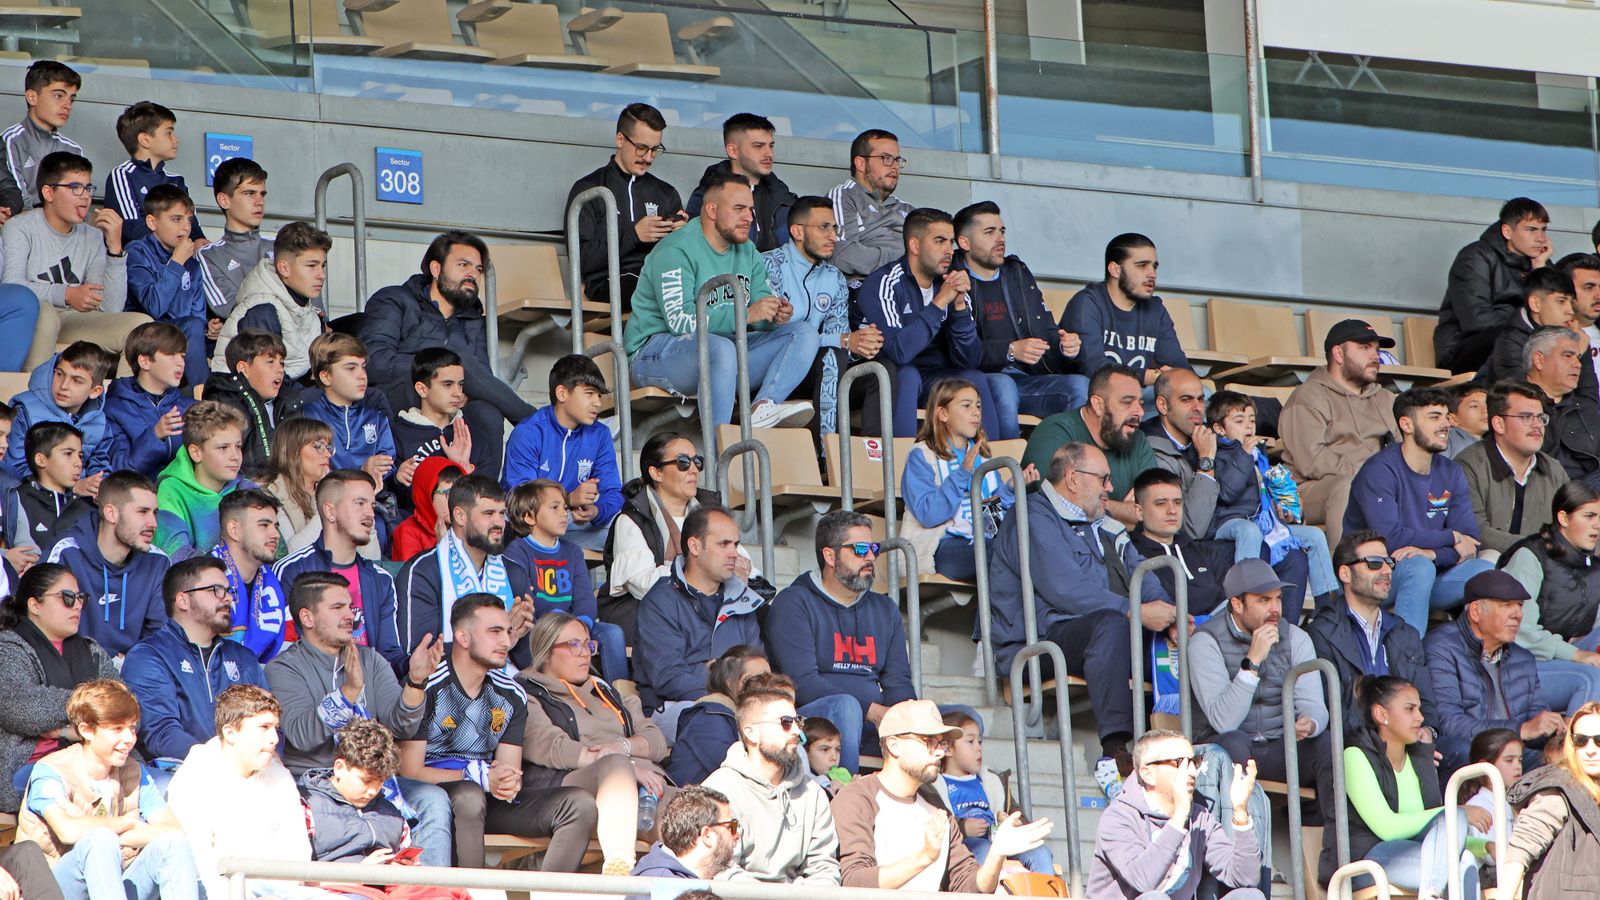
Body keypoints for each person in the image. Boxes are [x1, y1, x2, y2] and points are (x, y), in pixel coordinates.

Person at [990, 442, 1171, 796]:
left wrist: (1168, 612)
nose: (1110, 487)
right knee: (1112, 623)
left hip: (1095, 633)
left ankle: (1178, 752)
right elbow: (1064, 589)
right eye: (1103, 478)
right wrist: (1133, 611)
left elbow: (1143, 573)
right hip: (1037, 642)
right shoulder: (1033, 515)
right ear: (1073, 479)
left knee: (1182, 636)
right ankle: (1114, 754)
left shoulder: (1104, 523)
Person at [266, 570, 452, 868]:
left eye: (350, 606)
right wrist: (348, 693)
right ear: (307, 617)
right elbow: (301, 734)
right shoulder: (284, 668)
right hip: (319, 782)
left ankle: (427, 890)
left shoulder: (371, 659)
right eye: (337, 607)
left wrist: (416, 681)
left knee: (433, 800)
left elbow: (401, 725)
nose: (350, 615)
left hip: (376, 781)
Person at [399, 594, 598, 870]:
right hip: (437, 796)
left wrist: (506, 781)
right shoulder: (428, 684)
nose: (506, 642)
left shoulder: (512, 693)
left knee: (579, 804)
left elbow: (508, 771)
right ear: (463, 638)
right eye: (494, 633)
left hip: (487, 798)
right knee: (469, 795)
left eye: (507, 631)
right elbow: (408, 771)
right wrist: (475, 777)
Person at [624, 168, 819, 429]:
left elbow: (758, 301)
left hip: (723, 350)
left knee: (804, 333)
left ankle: (762, 408)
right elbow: (680, 322)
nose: (748, 217)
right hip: (657, 352)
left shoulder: (747, 250)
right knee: (721, 348)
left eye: (750, 209)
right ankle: (720, 449)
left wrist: (772, 314)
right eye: (739, 208)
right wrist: (747, 315)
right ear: (712, 210)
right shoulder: (675, 249)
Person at [1189, 559, 1335, 856]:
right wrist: (1252, 663)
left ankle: (1331, 859)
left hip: (1281, 747)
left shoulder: (1295, 637)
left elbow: (1316, 707)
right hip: (1227, 749)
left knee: (1330, 744)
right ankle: (1247, 856)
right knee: (1233, 744)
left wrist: (1310, 723)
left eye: (1278, 599)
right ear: (1237, 605)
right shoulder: (1205, 641)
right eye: (1263, 600)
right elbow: (1223, 720)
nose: (1276, 609)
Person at [361, 231, 537, 474]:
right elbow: (374, 362)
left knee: (488, 412)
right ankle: (536, 422)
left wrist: (454, 386)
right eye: (463, 265)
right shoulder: (395, 299)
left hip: (450, 402)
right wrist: (436, 369)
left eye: (477, 269)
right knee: (455, 359)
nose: (472, 275)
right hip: (400, 392)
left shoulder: (474, 320)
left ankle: (484, 498)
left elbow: (481, 380)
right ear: (436, 269)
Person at [832, 699, 1052, 890]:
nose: (939, 752)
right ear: (894, 745)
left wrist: (997, 854)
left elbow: (967, 884)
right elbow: (853, 882)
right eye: (929, 742)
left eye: (942, 743)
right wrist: (924, 857)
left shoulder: (935, 804)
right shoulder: (857, 798)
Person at [18, 679, 199, 900]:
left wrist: (117, 836)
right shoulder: (51, 770)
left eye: (132, 728)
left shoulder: (134, 771)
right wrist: (124, 825)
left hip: (117, 879)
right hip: (54, 888)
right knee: (100, 840)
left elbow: (173, 830)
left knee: (173, 845)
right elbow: (67, 830)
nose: (129, 739)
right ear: (86, 730)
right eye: (117, 729)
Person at [517, 613, 670, 875]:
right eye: (573, 645)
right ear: (545, 653)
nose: (585, 653)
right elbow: (551, 747)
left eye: (588, 645)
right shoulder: (527, 691)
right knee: (615, 768)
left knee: (691, 811)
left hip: (642, 788)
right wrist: (623, 764)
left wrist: (621, 749)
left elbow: (656, 741)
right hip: (572, 788)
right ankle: (619, 867)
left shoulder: (608, 692)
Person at [767, 509, 915, 775]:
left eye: (872, 548)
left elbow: (898, 682)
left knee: (960, 719)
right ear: (829, 555)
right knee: (846, 707)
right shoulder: (794, 604)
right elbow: (802, 683)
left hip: (872, 723)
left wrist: (904, 717)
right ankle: (843, 795)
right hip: (819, 721)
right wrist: (870, 710)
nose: (870, 557)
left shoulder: (885, 609)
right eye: (859, 549)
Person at [1345, 387, 1496, 632]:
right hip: (1374, 574)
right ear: (1407, 424)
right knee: (1418, 566)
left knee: (1485, 571)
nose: (1445, 424)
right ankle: (1408, 659)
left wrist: (1434, 554)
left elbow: (1471, 542)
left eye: (1446, 416)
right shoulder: (1379, 471)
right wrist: (1449, 538)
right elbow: (1390, 540)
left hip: (1430, 571)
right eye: (1434, 417)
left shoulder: (1450, 470)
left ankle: (1475, 660)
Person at [165, 685, 334, 900]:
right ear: (230, 732)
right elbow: (199, 863)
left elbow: (297, 854)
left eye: (275, 728)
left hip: (281, 890)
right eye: (263, 727)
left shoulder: (281, 777)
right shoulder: (195, 776)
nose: (274, 739)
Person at [856, 207, 1007, 439]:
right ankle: (900, 463)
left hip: (933, 376)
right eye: (939, 241)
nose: (949, 250)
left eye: (951, 242)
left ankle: (991, 466)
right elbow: (899, 352)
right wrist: (939, 304)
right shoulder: (884, 283)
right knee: (907, 374)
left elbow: (970, 358)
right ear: (915, 246)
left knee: (973, 378)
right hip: (888, 376)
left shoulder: (950, 283)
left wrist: (958, 308)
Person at [1333, 675, 1481, 895]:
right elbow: (1387, 826)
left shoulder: (1420, 759)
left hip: (1422, 854)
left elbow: (1440, 836)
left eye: (1419, 709)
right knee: (1454, 820)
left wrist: (1482, 846)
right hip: (1368, 860)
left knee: (1465, 855)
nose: (1420, 717)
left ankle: (1430, 893)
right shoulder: (1354, 756)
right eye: (1410, 709)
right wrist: (1453, 811)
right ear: (1381, 714)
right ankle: (1431, 892)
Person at [604, 433, 747, 648]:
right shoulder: (632, 519)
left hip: (709, 606)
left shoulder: (710, 513)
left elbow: (743, 566)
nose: (694, 469)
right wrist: (703, 571)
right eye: (683, 463)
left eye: (697, 462)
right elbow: (644, 586)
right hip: (656, 616)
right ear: (656, 473)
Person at [120, 555, 268, 764]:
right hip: (177, 776)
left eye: (228, 591)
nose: (227, 598)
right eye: (215, 590)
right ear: (183, 600)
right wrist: (224, 765)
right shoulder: (150, 655)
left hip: (247, 773)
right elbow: (161, 732)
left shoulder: (244, 658)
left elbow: (268, 723)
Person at [11, 152, 150, 372]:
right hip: (30, 319)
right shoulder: (20, 227)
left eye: (88, 188)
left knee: (141, 327)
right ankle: (33, 400)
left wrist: (114, 249)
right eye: (75, 187)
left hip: (70, 320)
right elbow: (12, 288)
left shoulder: (92, 235)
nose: (85, 196)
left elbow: (109, 307)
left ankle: (125, 404)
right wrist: (66, 293)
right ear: (49, 192)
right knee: (46, 315)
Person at [1088, 728, 1264, 900]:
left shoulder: (1199, 817)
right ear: (1147, 774)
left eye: (1194, 761)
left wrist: (1240, 813)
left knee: (1250, 896)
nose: (1192, 771)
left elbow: (1245, 878)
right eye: (1179, 762)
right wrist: (1179, 817)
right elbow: (1143, 880)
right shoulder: (1118, 817)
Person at [762, 195, 885, 438]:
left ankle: (875, 463)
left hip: (814, 372)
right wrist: (843, 340)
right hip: (771, 367)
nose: (834, 236)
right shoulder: (768, 264)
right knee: (831, 355)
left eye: (835, 228)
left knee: (879, 371)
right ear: (797, 231)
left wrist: (858, 344)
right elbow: (771, 334)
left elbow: (837, 336)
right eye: (824, 227)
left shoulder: (834, 277)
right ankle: (827, 458)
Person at [0, 563, 118, 813]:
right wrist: (92, 708)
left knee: (162, 785)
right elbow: (22, 709)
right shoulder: (8, 647)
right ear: (35, 605)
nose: (76, 605)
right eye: (67, 598)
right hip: (28, 768)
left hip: (97, 762)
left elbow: (125, 708)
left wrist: (66, 730)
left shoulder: (91, 650)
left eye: (80, 598)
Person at [634, 505, 765, 729]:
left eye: (735, 544)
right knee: (718, 717)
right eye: (723, 544)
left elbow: (758, 670)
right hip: (672, 709)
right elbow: (670, 677)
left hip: (739, 707)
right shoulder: (660, 601)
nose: (734, 553)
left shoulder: (744, 602)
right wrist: (729, 685)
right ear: (694, 546)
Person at [953, 200, 1086, 420]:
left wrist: (1066, 347)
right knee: (1004, 386)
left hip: (1027, 379)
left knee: (1079, 386)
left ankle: (1064, 454)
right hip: (979, 381)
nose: (1000, 239)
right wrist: (1010, 349)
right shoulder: (952, 279)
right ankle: (1005, 455)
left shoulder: (1016, 273)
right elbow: (958, 351)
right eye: (989, 232)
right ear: (964, 242)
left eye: (1002, 231)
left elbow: (1046, 331)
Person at [1205, 390, 1338, 605]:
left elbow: (1265, 492)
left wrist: (1283, 508)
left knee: (1314, 535)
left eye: (1252, 420)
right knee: (1250, 531)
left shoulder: (1258, 454)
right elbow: (1227, 493)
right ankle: (1247, 592)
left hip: (1264, 522)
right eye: (1239, 421)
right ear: (1219, 429)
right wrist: (1244, 456)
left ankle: (1327, 604)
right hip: (1229, 522)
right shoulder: (1218, 454)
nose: (1248, 426)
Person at [702, 678, 840, 883]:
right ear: (751, 733)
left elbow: (824, 870)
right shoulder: (719, 790)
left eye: (798, 721)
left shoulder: (813, 794)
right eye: (785, 722)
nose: (796, 731)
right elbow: (721, 871)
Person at [1423, 569, 1560, 772]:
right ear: (1476, 611)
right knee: (1461, 749)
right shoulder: (1441, 647)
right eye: (1507, 605)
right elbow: (1448, 723)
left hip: (1514, 755)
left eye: (1520, 606)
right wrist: (1521, 729)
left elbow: (1536, 719)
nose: (1518, 614)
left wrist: (1556, 729)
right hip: (1472, 753)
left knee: (1564, 758)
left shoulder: (1523, 659)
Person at [1130, 468, 1309, 619]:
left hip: (1222, 631)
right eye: (1161, 504)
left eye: (1177, 502)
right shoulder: (1131, 554)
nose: (1172, 511)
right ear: (1139, 512)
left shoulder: (1201, 550)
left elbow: (1232, 594)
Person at [1280, 318, 1399, 546]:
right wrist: (1370, 474)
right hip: (1313, 489)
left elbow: (1403, 448)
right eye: (1364, 348)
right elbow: (1311, 460)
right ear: (1338, 353)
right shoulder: (1308, 396)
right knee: (1346, 486)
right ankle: (1344, 573)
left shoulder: (1385, 398)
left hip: (1377, 484)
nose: (1375, 356)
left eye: (1377, 349)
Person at [397, 474, 534, 667]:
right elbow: (419, 657)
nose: (499, 523)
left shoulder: (514, 572)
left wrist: (516, 636)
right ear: (460, 516)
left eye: (502, 513)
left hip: (506, 688)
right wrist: (500, 639)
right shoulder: (424, 571)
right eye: (488, 513)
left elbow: (524, 662)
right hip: (442, 691)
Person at [273, 469, 403, 669]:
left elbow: (389, 655)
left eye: (372, 505)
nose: (370, 513)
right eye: (360, 503)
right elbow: (287, 653)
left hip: (371, 691)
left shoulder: (382, 580)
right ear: (330, 512)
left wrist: (412, 665)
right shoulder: (292, 570)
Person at [1306, 530, 1436, 729]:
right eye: (1374, 562)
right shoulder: (1320, 633)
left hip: (1404, 744)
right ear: (1345, 574)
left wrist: (1428, 731)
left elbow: (1426, 703)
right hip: (1353, 748)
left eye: (1389, 562)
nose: (1386, 570)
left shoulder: (1406, 634)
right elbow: (1334, 713)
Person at [504, 479, 627, 683]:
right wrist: (560, 623)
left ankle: (615, 695)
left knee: (612, 633)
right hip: (539, 628)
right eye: (554, 507)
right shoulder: (517, 552)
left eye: (564, 507)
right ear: (529, 516)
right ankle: (541, 688)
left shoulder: (572, 552)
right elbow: (525, 603)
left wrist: (579, 627)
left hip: (574, 625)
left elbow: (585, 600)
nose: (564, 513)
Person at [566, 102, 686, 310]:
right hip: (610, 283)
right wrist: (633, 235)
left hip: (659, 279)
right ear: (620, 139)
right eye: (641, 148)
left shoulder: (666, 192)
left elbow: (679, 260)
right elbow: (580, 260)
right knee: (651, 288)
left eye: (655, 149)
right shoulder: (589, 189)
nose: (648, 158)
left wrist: (684, 236)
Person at [500, 353, 622, 550]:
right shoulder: (529, 432)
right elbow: (520, 502)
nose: (598, 403)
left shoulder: (600, 434)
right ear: (562, 393)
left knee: (627, 527)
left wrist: (597, 511)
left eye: (599, 396)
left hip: (572, 523)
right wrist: (568, 499)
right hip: (525, 527)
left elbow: (613, 492)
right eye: (589, 393)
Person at [901, 377, 1018, 581]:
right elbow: (929, 515)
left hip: (983, 541)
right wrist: (962, 474)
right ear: (943, 413)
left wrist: (1009, 491)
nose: (976, 412)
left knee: (1022, 546)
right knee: (1007, 553)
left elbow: (991, 523)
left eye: (978, 406)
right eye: (966, 406)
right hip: (940, 547)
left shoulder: (983, 459)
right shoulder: (921, 455)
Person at [44, 469, 169, 657]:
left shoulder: (158, 562)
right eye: (142, 512)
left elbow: (160, 637)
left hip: (134, 674)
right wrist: (107, 661)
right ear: (111, 513)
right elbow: (45, 631)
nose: (153, 523)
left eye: (155, 513)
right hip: (75, 671)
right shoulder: (66, 553)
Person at [1500, 481, 1600, 715]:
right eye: (1589, 516)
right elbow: (1519, 630)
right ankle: (1572, 749)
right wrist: (1574, 653)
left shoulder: (1594, 565)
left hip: (1563, 654)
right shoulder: (1530, 556)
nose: (1597, 525)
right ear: (1564, 518)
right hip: (1517, 664)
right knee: (1592, 677)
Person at [1022, 365, 1155, 527]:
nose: (1140, 412)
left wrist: (1095, 503)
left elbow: (1153, 512)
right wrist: (1127, 511)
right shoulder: (1055, 431)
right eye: (1127, 402)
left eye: (1140, 403)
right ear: (1098, 405)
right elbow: (1055, 503)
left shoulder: (1137, 439)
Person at [1436, 197, 1553, 374]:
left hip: (1520, 342)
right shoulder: (1475, 256)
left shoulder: (1541, 264)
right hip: (1464, 349)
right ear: (1507, 231)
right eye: (1531, 230)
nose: (1540, 238)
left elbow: (1555, 312)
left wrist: (1539, 271)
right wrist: (1528, 332)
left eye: (1543, 230)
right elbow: (1476, 320)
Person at [1499, 699, 1600, 898]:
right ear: (1571, 745)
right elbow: (1521, 849)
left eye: (1599, 740)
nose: (1590, 749)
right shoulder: (1558, 789)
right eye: (1581, 740)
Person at [1061, 232, 1188, 389]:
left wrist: (1175, 377)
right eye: (1142, 266)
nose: (1152, 274)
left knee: (1201, 391)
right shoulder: (1088, 302)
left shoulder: (1156, 309)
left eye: (1154, 266)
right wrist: (1153, 376)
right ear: (1115, 270)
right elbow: (1092, 367)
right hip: (1097, 396)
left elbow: (1178, 365)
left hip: (1137, 395)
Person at [1457, 380, 1569, 558]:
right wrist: (1538, 546)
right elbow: (1476, 531)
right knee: (1490, 556)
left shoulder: (1553, 470)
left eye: (1541, 418)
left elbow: (1575, 523)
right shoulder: (1468, 464)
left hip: (1544, 564)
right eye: (1526, 417)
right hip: (1488, 566)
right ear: (1499, 424)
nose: (1537, 425)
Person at [299, 718, 426, 871]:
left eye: (380, 782)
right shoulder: (306, 807)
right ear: (339, 767)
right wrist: (359, 874)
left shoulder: (393, 815)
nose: (373, 790)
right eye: (366, 781)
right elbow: (292, 878)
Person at [209, 221, 329, 380]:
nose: (321, 275)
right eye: (312, 266)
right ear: (284, 268)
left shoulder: (310, 314)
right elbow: (263, 382)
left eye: (323, 266)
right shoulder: (262, 311)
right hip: (240, 400)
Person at [938, 710, 1054, 874]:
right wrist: (962, 827)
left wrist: (1012, 822)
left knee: (1040, 851)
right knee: (982, 848)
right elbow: (936, 825)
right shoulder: (936, 784)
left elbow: (1017, 815)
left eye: (979, 741)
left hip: (1002, 841)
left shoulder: (991, 781)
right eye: (970, 741)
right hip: (966, 847)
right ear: (947, 749)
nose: (979, 748)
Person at [125, 185, 207, 382]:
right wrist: (176, 263)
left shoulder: (192, 264)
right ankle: (202, 398)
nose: (186, 227)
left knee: (196, 326)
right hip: (143, 334)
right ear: (152, 222)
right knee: (191, 327)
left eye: (189, 219)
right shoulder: (137, 252)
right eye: (176, 219)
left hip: (180, 335)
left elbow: (197, 317)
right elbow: (154, 306)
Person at [3, 341, 115, 483]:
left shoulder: (100, 423)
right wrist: (72, 487)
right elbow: (14, 467)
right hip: (31, 496)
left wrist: (98, 487)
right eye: (60, 374)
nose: (64, 386)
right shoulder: (25, 411)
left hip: (77, 500)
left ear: (95, 391)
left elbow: (99, 466)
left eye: (77, 381)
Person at [686, 113, 796, 252]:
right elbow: (698, 250)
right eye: (758, 146)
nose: (769, 154)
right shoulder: (707, 196)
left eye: (771, 146)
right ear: (733, 151)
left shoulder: (784, 199)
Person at [102, 322, 196, 480]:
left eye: (182, 356)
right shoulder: (114, 410)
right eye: (172, 354)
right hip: (143, 499)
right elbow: (121, 470)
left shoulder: (191, 408)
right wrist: (155, 435)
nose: (181, 363)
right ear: (145, 361)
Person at [154, 400, 248, 558]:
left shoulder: (247, 489)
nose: (235, 456)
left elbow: (274, 550)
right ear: (196, 453)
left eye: (238, 446)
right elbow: (175, 556)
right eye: (223, 448)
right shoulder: (171, 491)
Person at [390, 347, 487, 499]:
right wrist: (398, 479)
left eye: (460, 384)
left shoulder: (475, 436)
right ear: (422, 389)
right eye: (447, 385)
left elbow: (488, 499)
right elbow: (391, 498)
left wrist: (463, 467)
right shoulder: (397, 434)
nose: (458, 393)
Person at [300, 332, 396, 484]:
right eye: (351, 368)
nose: (362, 375)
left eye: (363, 367)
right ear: (326, 377)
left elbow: (388, 471)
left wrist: (398, 478)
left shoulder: (377, 419)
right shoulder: (306, 417)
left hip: (373, 503)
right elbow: (308, 475)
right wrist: (361, 471)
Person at [667, 647, 770, 788]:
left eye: (770, 680)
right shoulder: (709, 718)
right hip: (694, 805)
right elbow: (738, 773)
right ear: (729, 682)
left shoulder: (743, 716)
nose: (767, 687)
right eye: (757, 679)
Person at [104, 101, 202, 248]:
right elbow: (131, 229)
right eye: (169, 132)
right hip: (141, 263)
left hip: (179, 260)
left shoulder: (176, 181)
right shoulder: (123, 175)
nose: (176, 140)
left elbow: (192, 226)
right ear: (145, 140)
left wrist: (199, 240)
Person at [1484, 266, 1591, 396]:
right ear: (1536, 304)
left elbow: (1589, 398)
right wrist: (1577, 352)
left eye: (1571, 303)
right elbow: (1524, 398)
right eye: (1561, 301)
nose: (1570, 311)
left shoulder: (1575, 337)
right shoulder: (1510, 342)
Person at [1141, 368, 1221, 538]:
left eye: (1201, 399)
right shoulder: (1149, 450)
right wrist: (1206, 461)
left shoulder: (1210, 435)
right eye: (1186, 400)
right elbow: (1190, 528)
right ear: (1163, 405)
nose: (1198, 408)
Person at [826, 128, 915, 282]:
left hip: (909, 292)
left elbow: (929, 255)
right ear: (861, 163)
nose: (894, 167)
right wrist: (905, 259)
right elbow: (841, 254)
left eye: (897, 160)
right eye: (886, 158)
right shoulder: (844, 196)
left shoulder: (907, 209)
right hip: (865, 290)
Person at [203, 329, 290, 483]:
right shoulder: (225, 403)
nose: (280, 370)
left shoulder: (288, 401)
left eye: (281, 363)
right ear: (243, 369)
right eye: (270, 362)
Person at [211, 488, 288, 661]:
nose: (275, 535)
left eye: (276, 526)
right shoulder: (201, 584)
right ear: (234, 530)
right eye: (264, 525)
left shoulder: (274, 583)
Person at [0, 61, 82, 217]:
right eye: (59, 96)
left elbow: (77, 204)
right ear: (32, 97)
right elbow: (18, 199)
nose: (67, 105)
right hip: (24, 228)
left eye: (71, 99)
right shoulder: (10, 140)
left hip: (64, 231)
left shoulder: (73, 150)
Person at [1524, 326, 1600, 483]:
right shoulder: (1518, 410)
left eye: (1578, 358)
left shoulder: (1586, 403)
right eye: (1567, 356)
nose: (1577, 364)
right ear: (1539, 360)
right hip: (1559, 498)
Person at [198, 157, 270, 322]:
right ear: (224, 200)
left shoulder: (281, 245)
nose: (259, 202)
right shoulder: (209, 256)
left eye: (262, 194)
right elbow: (230, 310)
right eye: (249, 193)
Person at [629, 785, 738, 889]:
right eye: (731, 826)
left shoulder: (669, 882)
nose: (737, 835)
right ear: (707, 835)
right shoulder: (662, 890)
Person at [263, 416, 333, 554]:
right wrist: (326, 508)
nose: (328, 454)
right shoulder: (269, 493)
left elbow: (366, 558)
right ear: (291, 450)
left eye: (328, 447)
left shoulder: (331, 490)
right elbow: (291, 554)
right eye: (318, 446)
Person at [392, 457, 463, 564]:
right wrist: (442, 546)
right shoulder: (407, 532)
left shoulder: (466, 527)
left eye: (460, 493)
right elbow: (415, 577)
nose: (456, 500)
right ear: (427, 496)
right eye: (449, 493)